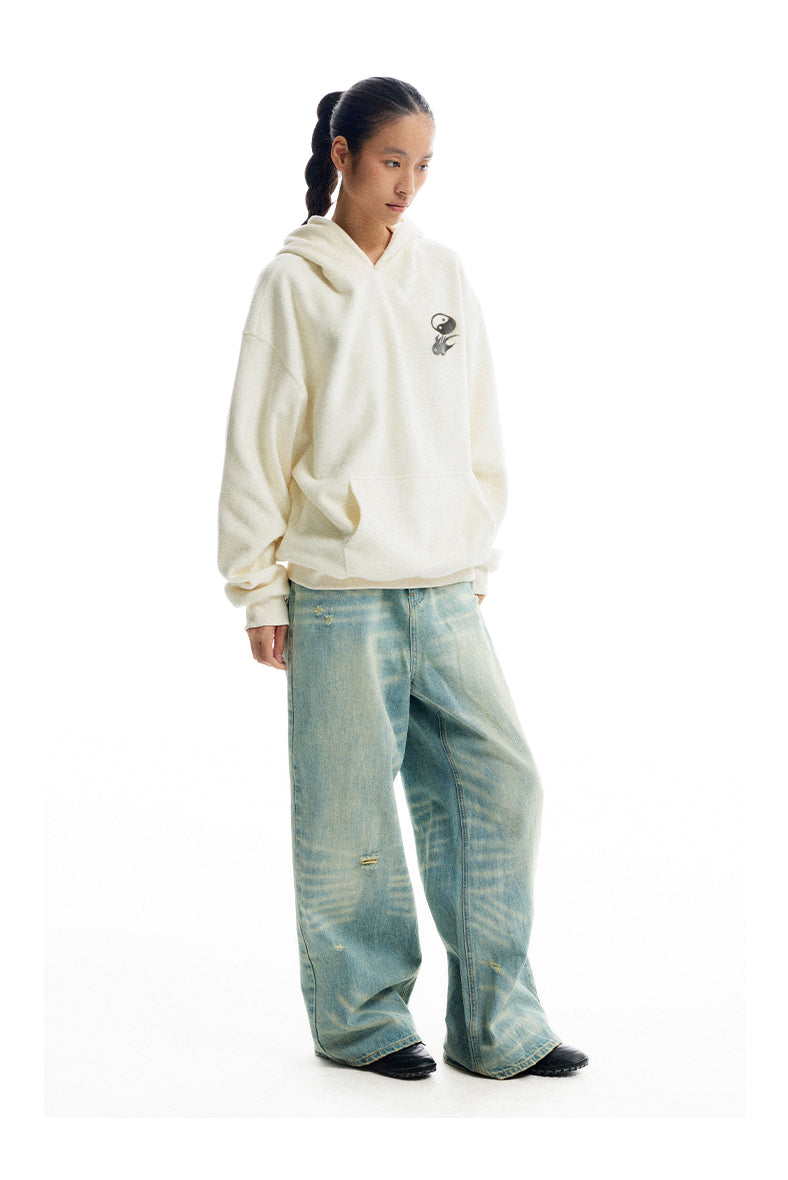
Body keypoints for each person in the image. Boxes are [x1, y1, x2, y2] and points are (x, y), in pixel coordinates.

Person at [217, 77, 588, 1081]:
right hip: (338, 588)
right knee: (347, 813)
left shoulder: (443, 272)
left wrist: (474, 545)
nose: (409, 184)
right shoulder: (292, 283)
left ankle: (498, 1026)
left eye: (423, 165)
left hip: (444, 582)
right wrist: (258, 588)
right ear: (342, 154)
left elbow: (476, 418)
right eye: (392, 161)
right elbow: (257, 444)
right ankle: (362, 1021)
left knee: (499, 782)